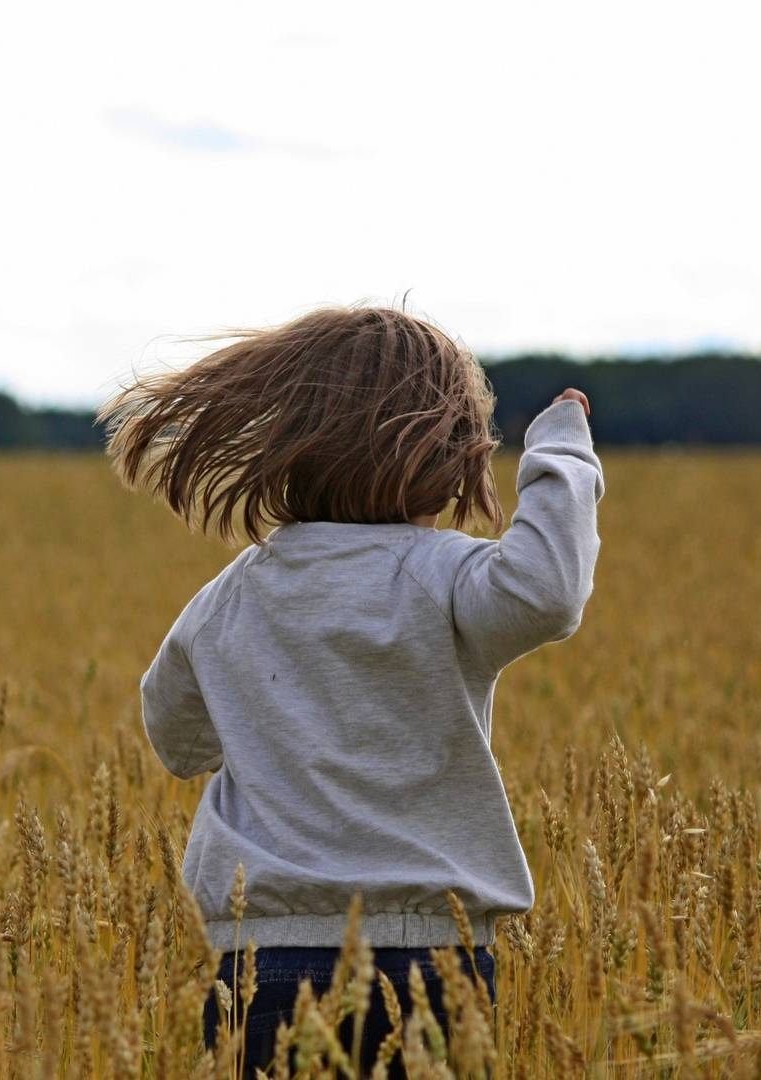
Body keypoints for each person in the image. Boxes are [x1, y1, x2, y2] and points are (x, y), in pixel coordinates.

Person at [96, 302, 605, 1075]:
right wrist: (562, 451)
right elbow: (548, 592)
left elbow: (175, 738)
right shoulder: (444, 575)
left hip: (260, 965)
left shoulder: (232, 595)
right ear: (440, 452)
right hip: (432, 962)